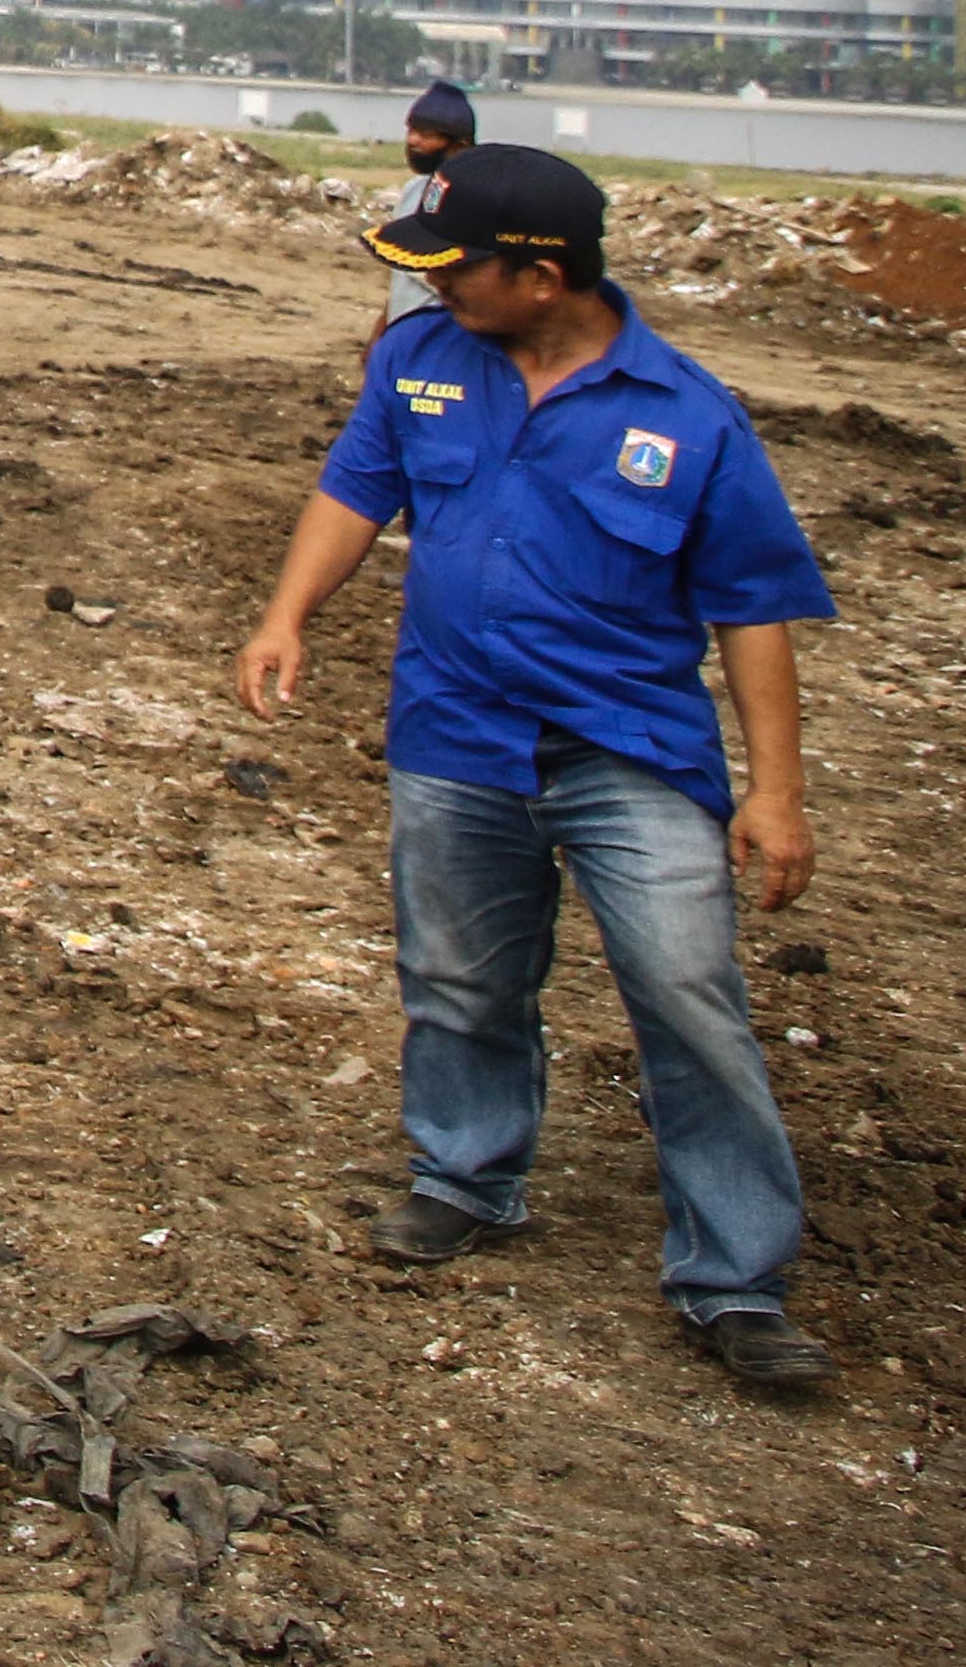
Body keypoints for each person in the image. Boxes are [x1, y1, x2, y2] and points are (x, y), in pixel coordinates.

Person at [234, 144, 839, 1387]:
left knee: (686, 992)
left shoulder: (686, 415)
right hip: (455, 732)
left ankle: (733, 1276)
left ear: (543, 275)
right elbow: (356, 490)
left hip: (630, 752)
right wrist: (286, 613)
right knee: (457, 975)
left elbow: (752, 609)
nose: (436, 289)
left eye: (459, 270)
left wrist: (776, 791)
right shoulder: (419, 361)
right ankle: (466, 1175)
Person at [370, 82, 478, 341]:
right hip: (401, 336)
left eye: (426, 134)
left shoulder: (472, 199)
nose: (412, 140)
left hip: (441, 338)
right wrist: (382, 330)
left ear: (459, 146)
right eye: (411, 130)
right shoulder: (413, 190)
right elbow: (402, 276)